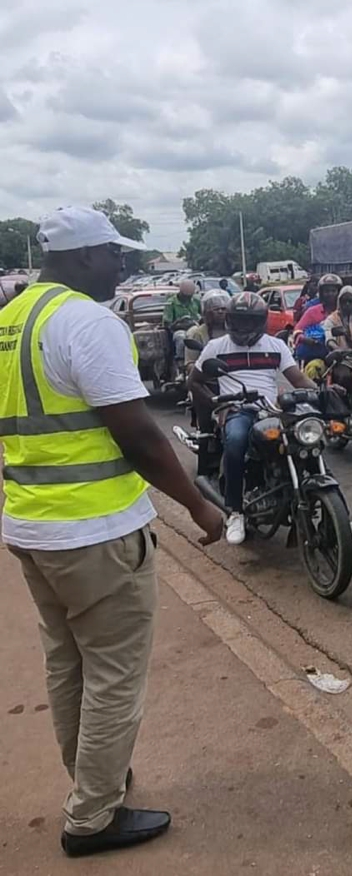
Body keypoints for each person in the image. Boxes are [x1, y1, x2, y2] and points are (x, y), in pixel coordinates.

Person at [0, 206, 223, 858]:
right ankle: (94, 816)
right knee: (114, 677)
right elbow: (140, 438)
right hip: (94, 532)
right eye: (113, 254)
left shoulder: (9, 322)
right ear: (79, 257)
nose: (122, 266)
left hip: (33, 529)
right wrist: (198, 507)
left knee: (68, 664)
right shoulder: (86, 321)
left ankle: (93, 783)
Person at [189, 292, 352, 548]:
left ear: (261, 321)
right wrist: (215, 402)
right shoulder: (216, 347)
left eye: (250, 321)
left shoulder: (274, 346)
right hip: (237, 410)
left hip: (270, 409)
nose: (245, 327)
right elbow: (194, 382)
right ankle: (235, 511)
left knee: (309, 446)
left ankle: (344, 518)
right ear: (231, 320)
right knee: (235, 441)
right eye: (239, 321)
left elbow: (297, 379)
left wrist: (320, 394)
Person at [163, 279, 201, 367]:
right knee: (181, 338)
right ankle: (180, 363)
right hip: (179, 330)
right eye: (185, 296)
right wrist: (179, 323)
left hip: (196, 328)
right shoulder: (171, 303)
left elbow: (203, 315)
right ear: (180, 292)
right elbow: (167, 324)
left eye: (190, 296)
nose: (188, 299)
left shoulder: (196, 301)